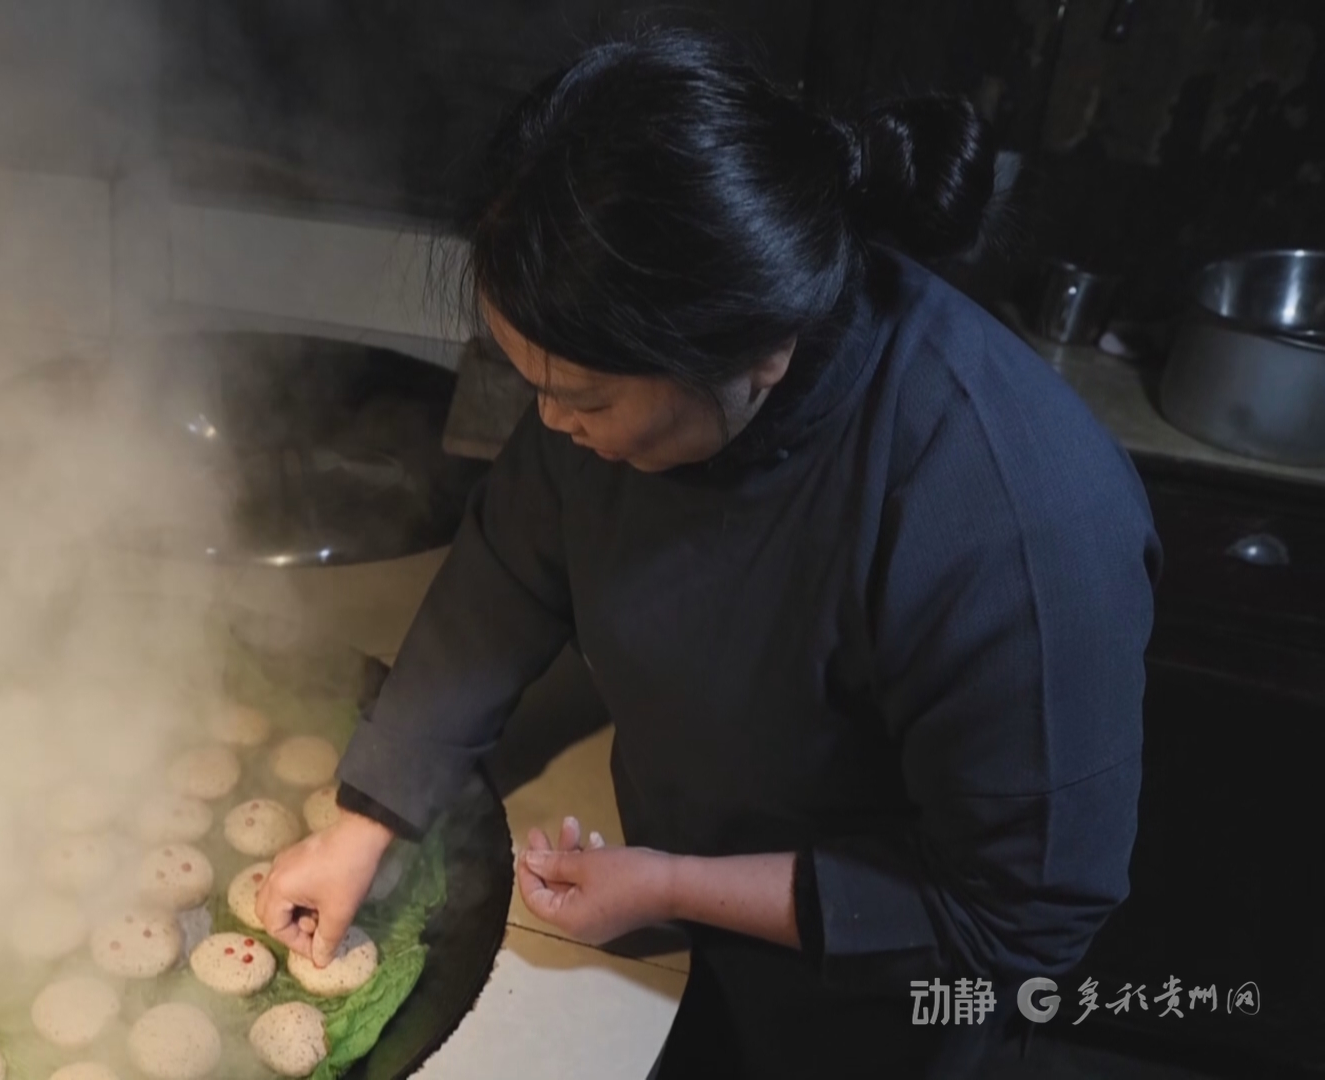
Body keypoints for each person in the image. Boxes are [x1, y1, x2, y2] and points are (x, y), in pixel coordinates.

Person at [255, 28, 1161, 1080]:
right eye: (532, 384)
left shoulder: (1018, 520)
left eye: (581, 398)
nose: (550, 423)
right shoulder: (621, 369)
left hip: (881, 1000)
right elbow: (507, 570)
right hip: (667, 913)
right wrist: (371, 815)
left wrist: (678, 884)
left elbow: (1020, 912)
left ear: (760, 353)